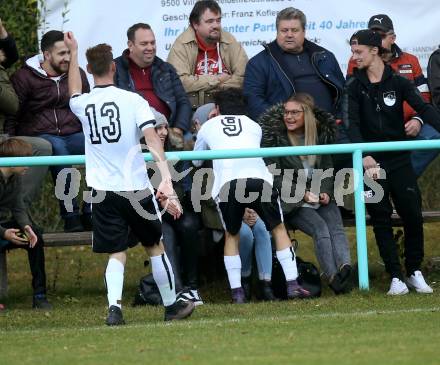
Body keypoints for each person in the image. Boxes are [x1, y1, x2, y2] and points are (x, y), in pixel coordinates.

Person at [64, 31, 194, 324]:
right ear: (113, 68)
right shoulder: (134, 101)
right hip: (135, 188)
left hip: (101, 190)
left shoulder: (83, 104)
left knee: (116, 251)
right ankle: (172, 306)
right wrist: (165, 178)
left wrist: (73, 54)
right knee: (154, 245)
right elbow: (153, 140)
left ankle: (114, 310)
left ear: (89, 71)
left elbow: (73, 91)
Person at [193, 88, 311, 303]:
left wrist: (203, 130)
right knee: (278, 229)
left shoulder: (209, 125)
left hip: (228, 183)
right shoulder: (253, 125)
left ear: (217, 109)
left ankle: (237, 291)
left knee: (232, 234)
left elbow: (196, 161)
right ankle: (292, 283)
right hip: (259, 179)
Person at [344, 29, 440, 295]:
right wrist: (364, 156)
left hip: (399, 161)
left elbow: (424, 109)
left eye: (358, 51)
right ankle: (395, 276)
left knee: (411, 213)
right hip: (370, 163)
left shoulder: (399, 82)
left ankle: (414, 271)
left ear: (374, 51)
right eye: (352, 52)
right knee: (381, 217)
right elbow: (350, 125)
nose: (354, 57)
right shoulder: (352, 85)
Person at [260, 93, 353, 294]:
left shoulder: (318, 138)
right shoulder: (277, 140)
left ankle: (346, 268)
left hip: (317, 194)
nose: (289, 117)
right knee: (320, 228)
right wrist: (302, 194)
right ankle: (332, 277)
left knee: (335, 226)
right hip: (292, 200)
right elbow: (274, 177)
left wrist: (325, 192)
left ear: (307, 115)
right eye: (286, 112)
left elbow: (327, 169)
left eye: (294, 112)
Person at [5, 30, 91, 232]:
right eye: (62, 54)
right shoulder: (24, 77)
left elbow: (87, 106)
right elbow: (13, 114)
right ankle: (70, 216)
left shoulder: (76, 74)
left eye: (69, 53)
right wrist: (9, 143)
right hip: (40, 134)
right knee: (58, 148)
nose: (67, 58)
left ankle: (91, 210)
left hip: (73, 132)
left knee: (98, 146)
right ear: (46, 55)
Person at [347, 14, 439, 177]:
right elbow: (353, 104)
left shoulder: (411, 60)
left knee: (433, 135)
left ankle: (404, 175)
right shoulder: (356, 62)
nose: (376, 40)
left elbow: (424, 98)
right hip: (374, 127)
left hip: (408, 124)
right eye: (372, 35)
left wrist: (417, 120)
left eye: (381, 36)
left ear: (393, 38)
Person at [243, 7, 345, 122]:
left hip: (329, 126)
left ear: (304, 32)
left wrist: (339, 117)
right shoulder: (259, 63)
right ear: (277, 32)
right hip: (288, 131)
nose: (289, 35)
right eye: (284, 30)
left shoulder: (325, 56)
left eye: (294, 30)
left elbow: (343, 91)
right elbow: (253, 101)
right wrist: (283, 122)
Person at [150, 110, 203, 306]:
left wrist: (174, 199)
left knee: (189, 226)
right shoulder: (137, 156)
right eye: (157, 128)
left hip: (178, 210)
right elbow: (138, 196)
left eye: (165, 127)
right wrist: (162, 200)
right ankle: (178, 289)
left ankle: (192, 287)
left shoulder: (178, 153)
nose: (163, 132)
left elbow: (187, 187)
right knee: (166, 233)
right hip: (150, 215)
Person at [0, 17, 52, 210]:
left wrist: (2, 29)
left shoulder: (2, 67)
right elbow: (12, 105)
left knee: (43, 147)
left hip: (3, 136)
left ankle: (16, 209)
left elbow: (10, 53)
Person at [114, 23, 191, 151]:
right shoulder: (115, 69)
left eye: (152, 43)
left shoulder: (165, 68)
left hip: (168, 131)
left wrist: (177, 129)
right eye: (144, 44)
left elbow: (183, 102)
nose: (150, 47)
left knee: (191, 142)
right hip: (135, 134)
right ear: (130, 45)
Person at [167, 0, 248, 110]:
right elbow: (180, 83)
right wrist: (217, 79)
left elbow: (243, 77)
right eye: (210, 21)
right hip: (192, 110)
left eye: (218, 20)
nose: (216, 25)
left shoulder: (229, 41)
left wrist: (206, 87)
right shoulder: (182, 45)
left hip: (226, 107)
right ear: (195, 24)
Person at [0, 138, 52, 310]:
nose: (28, 166)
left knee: (35, 238)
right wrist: (4, 233)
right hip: (1, 232)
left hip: (5, 229)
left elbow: (18, 207)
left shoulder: (15, 178)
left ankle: (40, 296)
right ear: (12, 160)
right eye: (25, 160)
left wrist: (27, 227)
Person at [239, 208, 277, 301]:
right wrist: (240, 212)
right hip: (231, 212)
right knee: (245, 234)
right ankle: (245, 280)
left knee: (262, 229)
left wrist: (257, 212)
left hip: (258, 210)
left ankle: (265, 286)